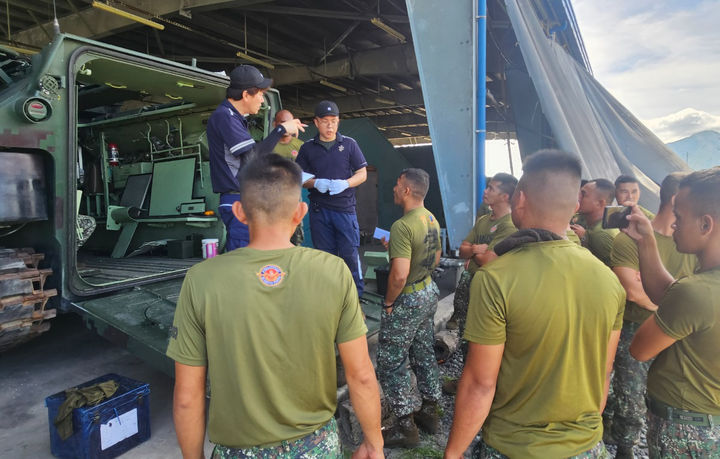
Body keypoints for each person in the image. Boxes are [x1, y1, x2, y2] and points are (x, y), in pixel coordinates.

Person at [167, 154, 383, 459]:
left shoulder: (202, 279)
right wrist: (374, 443)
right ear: (301, 212)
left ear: (239, 212)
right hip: (316, 447)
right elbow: (360, 374)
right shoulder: (333, 272)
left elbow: (188, 396)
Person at [445, 150, 625, 459]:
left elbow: (480, 383)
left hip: (514, 447)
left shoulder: (495, 279)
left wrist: (453, 453)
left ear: (521, 201)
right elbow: (604, 371)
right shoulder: (609, 280)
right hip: (588, 446)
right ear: (576, 207)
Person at [627, 167, 720, 458]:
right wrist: (646, 241)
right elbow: (672, 296)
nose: (673, 225)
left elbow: (640, 349)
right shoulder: (702, 286)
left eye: (679, 218)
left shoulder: (695, 292)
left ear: (706, 224)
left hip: (686, 427)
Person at [606, 172, 697, 458]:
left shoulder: (696, 244)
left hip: (680, 329)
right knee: (630, 397)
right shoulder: (629, 239)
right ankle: (625, 447)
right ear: (675, 199)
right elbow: (633, 290)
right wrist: (683, 307)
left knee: (672, 394)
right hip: (635, 327)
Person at [377, 168, 443, 448]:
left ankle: (405, 426)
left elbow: (399, 275)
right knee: (423, 350)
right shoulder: (430, 218)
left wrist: (390, 302)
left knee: (390, 362)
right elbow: (436, 257)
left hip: (408, 298)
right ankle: (429, 413)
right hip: (428, 291)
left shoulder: (402, 226)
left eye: (396, 183)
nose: (393, 187)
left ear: (406, 190)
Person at [207, 65, 304, 251]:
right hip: (237, 200)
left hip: (243, 199)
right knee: (245, 262)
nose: (262, 99)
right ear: (245, 95)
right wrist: (281, 130)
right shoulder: (225, 116)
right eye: (259, 93)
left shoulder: (233, 117)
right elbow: (253, 158)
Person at [296, 100, 367, 297]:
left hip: (344, 210)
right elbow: (299, 177)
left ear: (339, 122)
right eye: (325, 121)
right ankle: (329, 299)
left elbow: (362, 173)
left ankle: (355, 298)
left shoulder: (349, 144)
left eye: (334, 121)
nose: (330, 126)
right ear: (316, 122)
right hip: (320, 210)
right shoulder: (308, 148)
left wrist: (346, 183)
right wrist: (316, 183)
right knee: (324, 257)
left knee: (350, 256)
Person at [446, 173, 518, 333]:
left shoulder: (509, 225)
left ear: (505, 196)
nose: (485, 191)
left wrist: (473, 254)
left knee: (479, 333)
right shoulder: (483, 220)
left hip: (488, 290)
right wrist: (474, 250)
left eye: (490, 188)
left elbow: (487, 261)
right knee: (464, 331)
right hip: (470, 284)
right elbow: (462, 250)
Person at [272, 109, 306, 245]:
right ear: (275, 124)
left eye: (289, 123)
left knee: (295, 235)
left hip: (294, 198)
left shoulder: (301, 146)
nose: (286, 126)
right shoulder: (268, 145)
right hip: (272, 199)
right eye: (282, 123)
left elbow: (307, 170)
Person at [572, 178, 619, 265]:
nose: (578, 197)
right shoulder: (601, 223)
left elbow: (617, 272)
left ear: (600, 203)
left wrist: (585, 239)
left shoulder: (601, 235)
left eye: (583, 194)